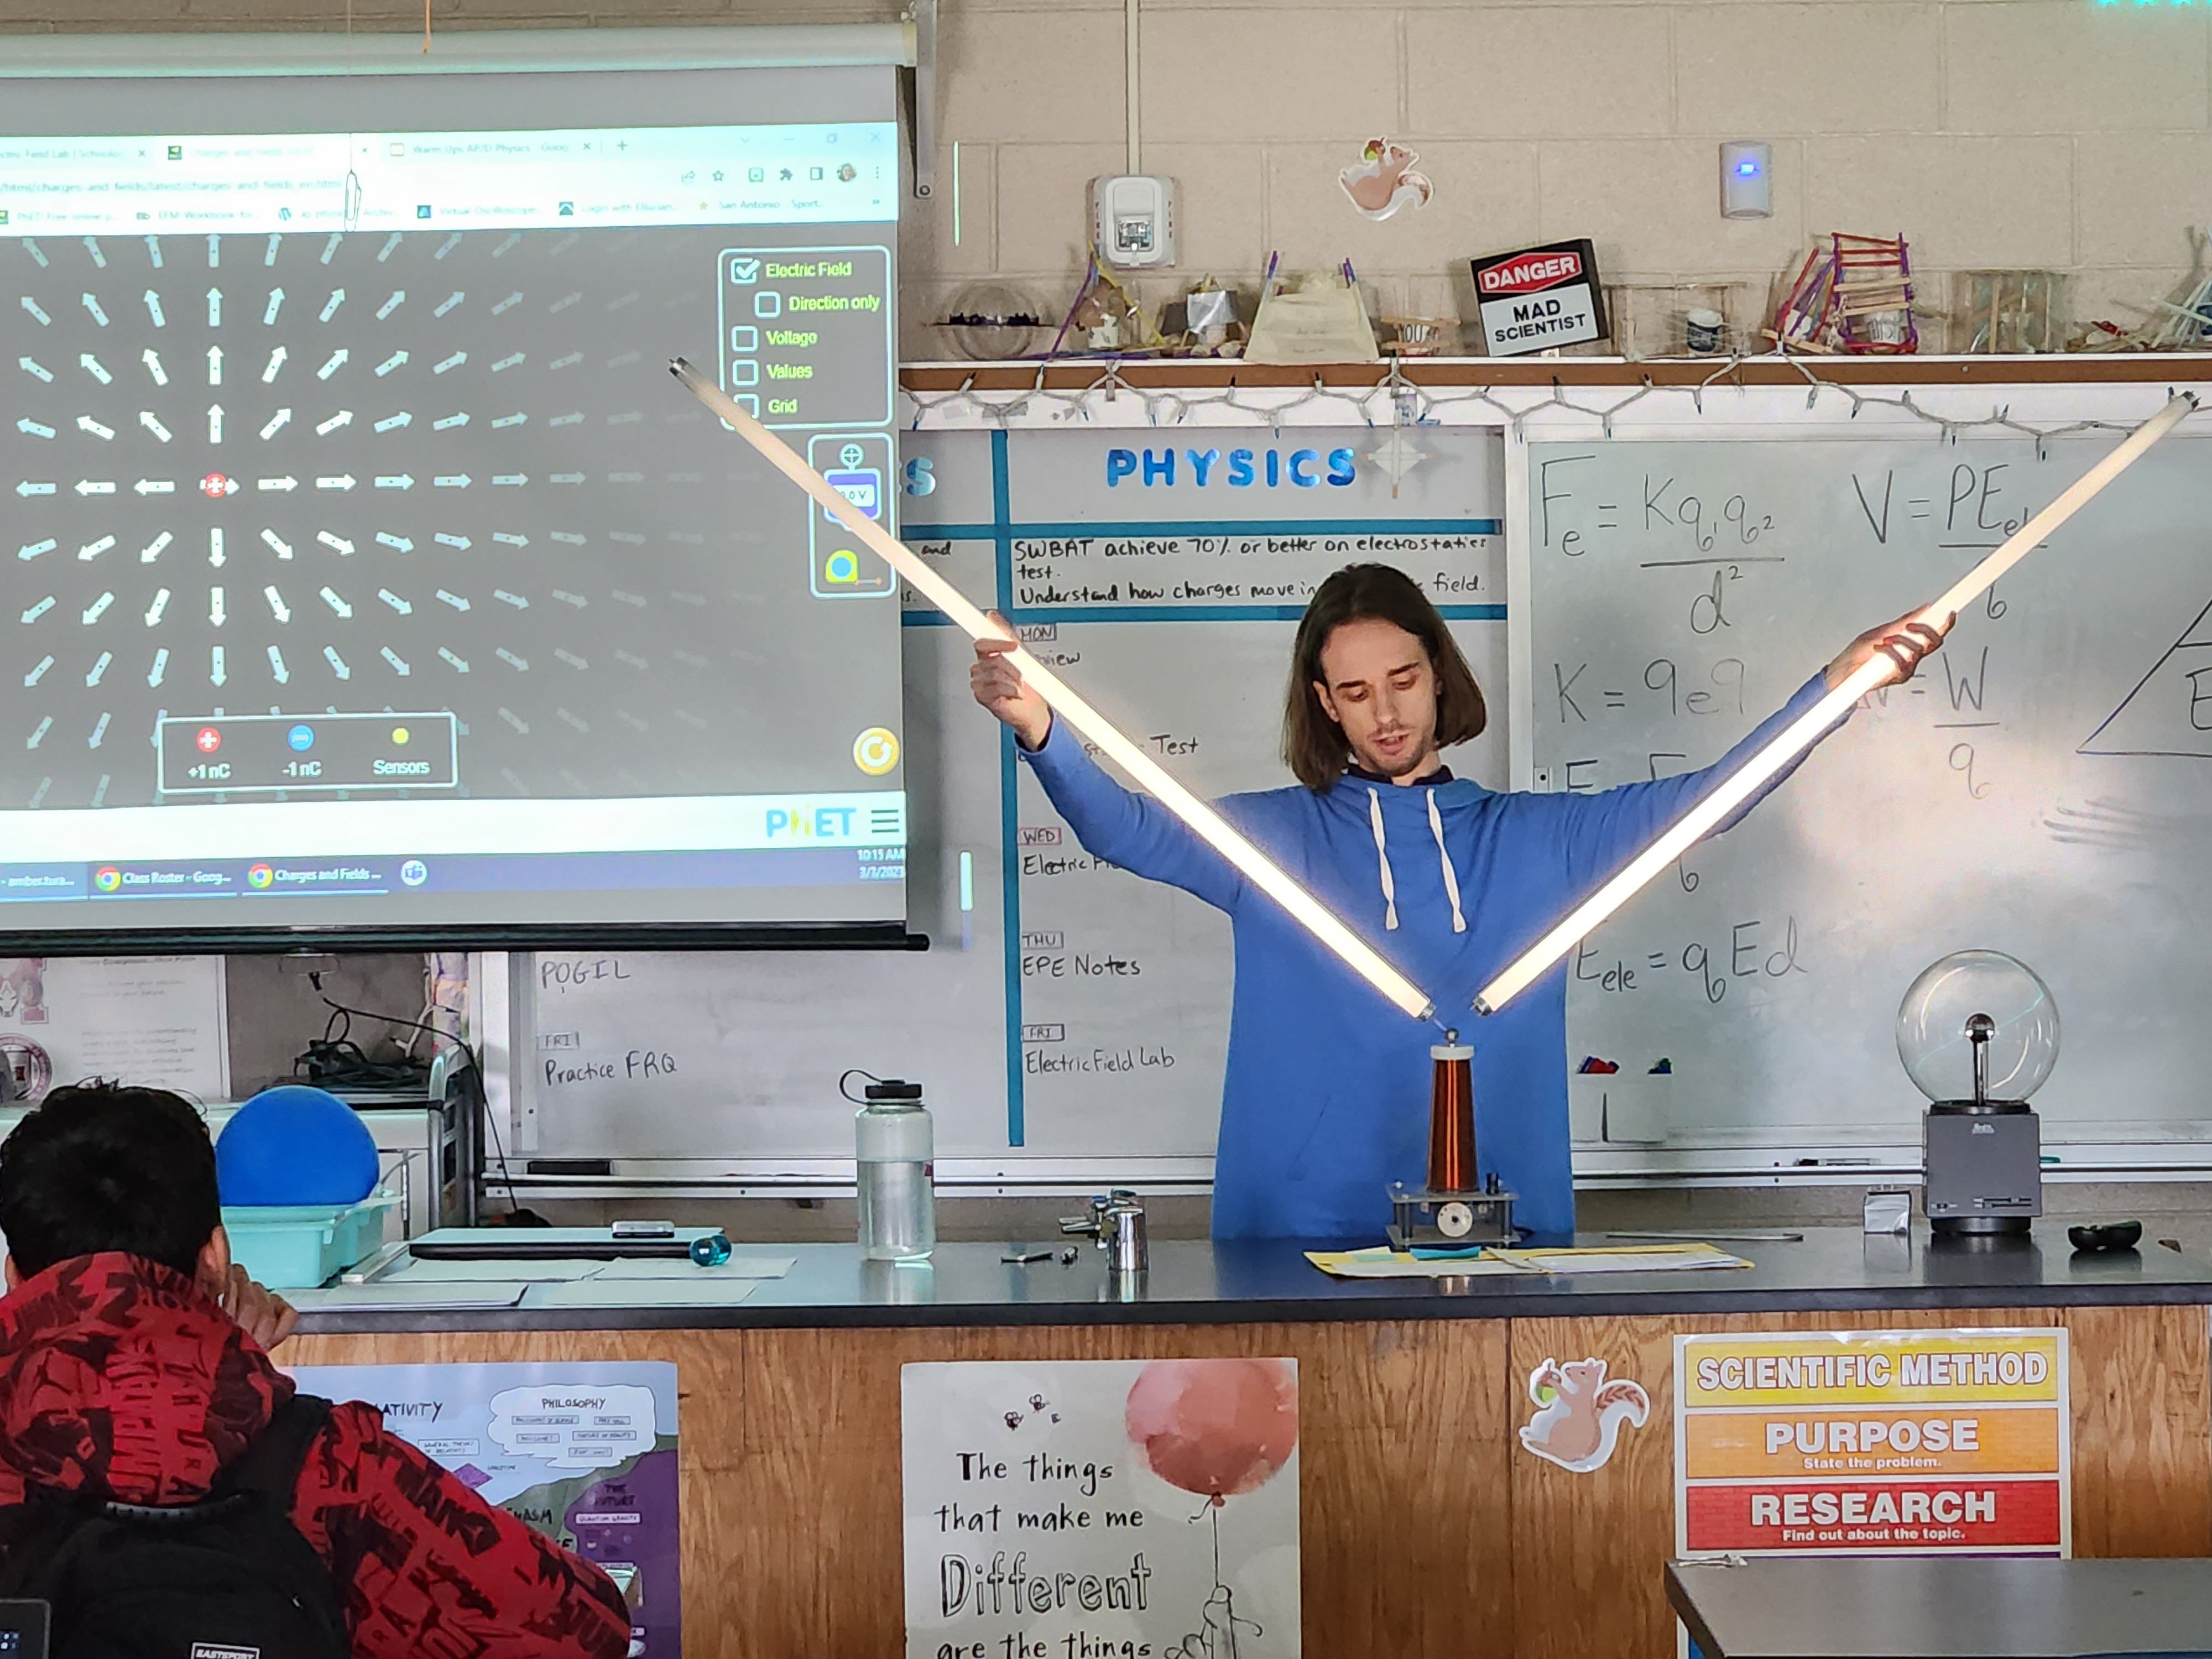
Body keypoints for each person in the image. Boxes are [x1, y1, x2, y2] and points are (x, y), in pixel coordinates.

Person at [972, 563, 1949, 1240]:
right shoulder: (1273, 840)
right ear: (1323, 703)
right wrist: (1040, 726)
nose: (1386, 712)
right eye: (1355, 693)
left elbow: (1714, 800)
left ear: (1439, 676)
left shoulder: (1540, 840)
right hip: (1297, 1234)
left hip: (1500, 1226)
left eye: (1403, 680)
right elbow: (1126, 830)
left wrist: (1835, 689)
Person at [0, 1083, 632, 1659]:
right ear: (216, 1259)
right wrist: (221, 1378)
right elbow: (582, 1632)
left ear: (15, 1280)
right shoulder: (334, 1470)